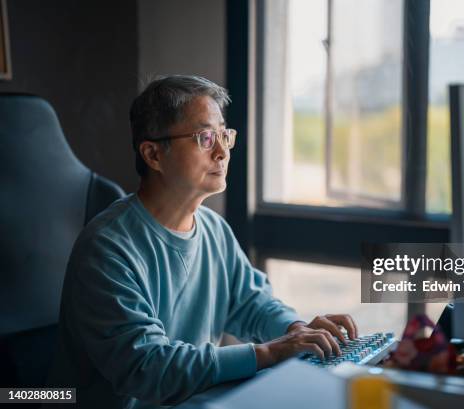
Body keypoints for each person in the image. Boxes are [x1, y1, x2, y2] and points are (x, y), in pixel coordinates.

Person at [47, 75, 358, 409]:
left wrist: (297, 329)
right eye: (205, 138)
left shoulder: (213, 229)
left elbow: (252, 304)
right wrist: (268, 352)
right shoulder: (107, 248)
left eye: (224, 134)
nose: (222, 152)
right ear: (153, 154)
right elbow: (149, 367)